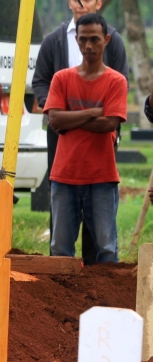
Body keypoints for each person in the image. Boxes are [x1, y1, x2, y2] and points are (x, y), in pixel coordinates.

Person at [32, 0, 129, 264]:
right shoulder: (61, 78)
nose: (88, 46)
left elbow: (110, 123)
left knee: (106, 249)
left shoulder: (116, 80)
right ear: (76, 39)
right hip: (65, 175)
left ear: (106, 40)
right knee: (60, 249)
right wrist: (92, 112)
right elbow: (54, 120)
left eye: (95, 40)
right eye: (83, 39)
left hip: (102, 175)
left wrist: (68, 119)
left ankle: (106, 302)